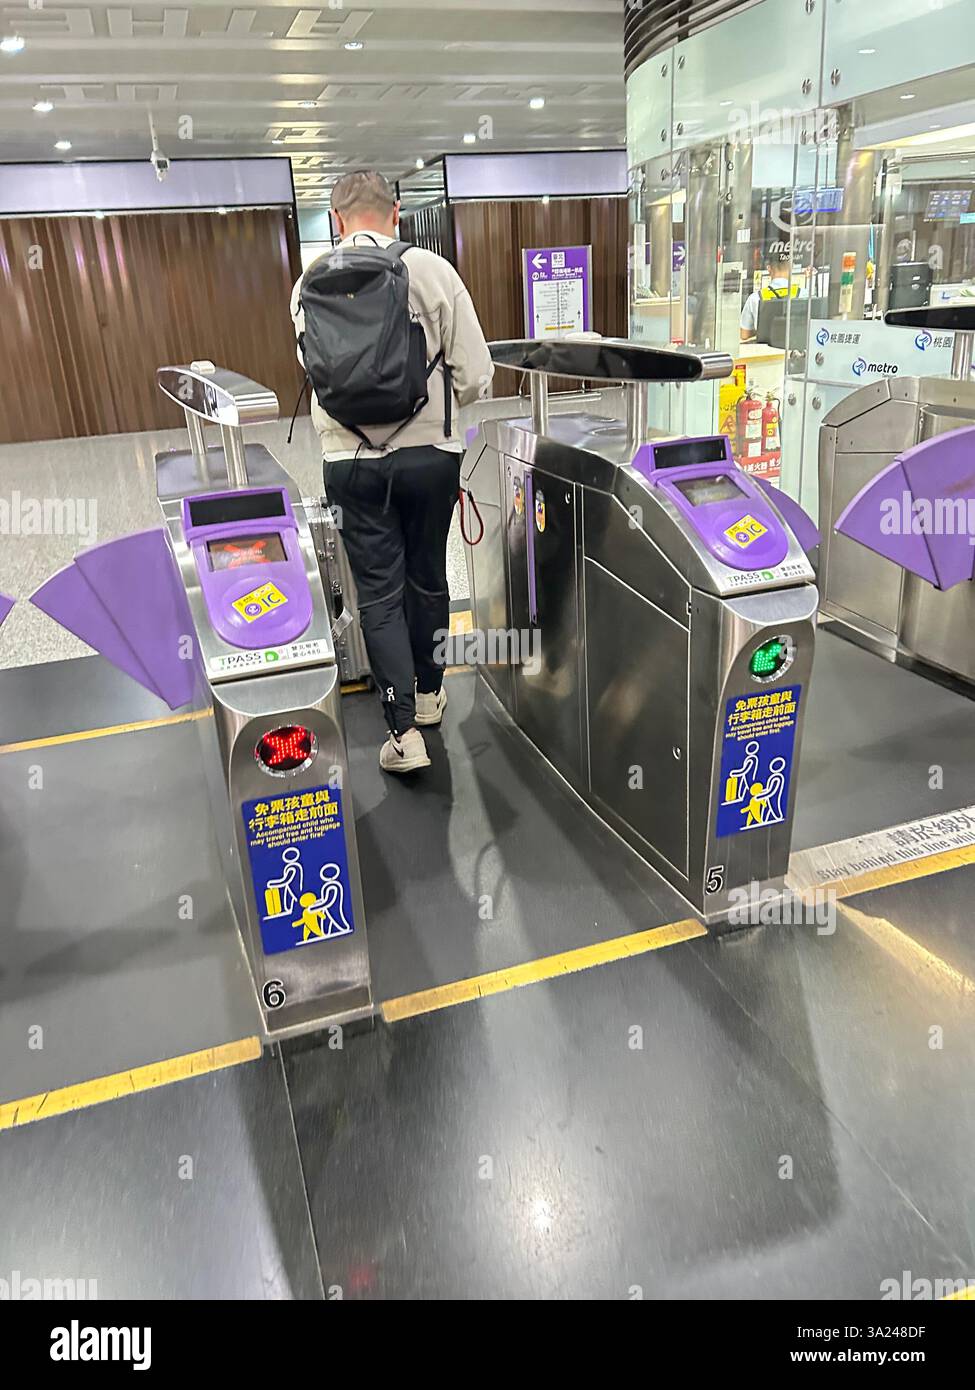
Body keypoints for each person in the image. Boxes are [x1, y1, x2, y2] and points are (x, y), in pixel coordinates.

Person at [291, 169, 494, 774]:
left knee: (378, 594)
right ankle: (431, 695)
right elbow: (477, 373)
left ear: (336, 221)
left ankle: (402, 734)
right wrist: (435, 416)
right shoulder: (433, 272)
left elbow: (318, 376)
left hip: (349, 465)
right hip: (430, 459)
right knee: (429, 575)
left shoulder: (307, 285)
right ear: (398, 212)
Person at [740, 251, 805, 343]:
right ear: (791, 268)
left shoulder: (755, 298)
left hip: (767, 353)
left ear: (769, 269)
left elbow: (744, 334)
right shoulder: (804, 294)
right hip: (795, 350)